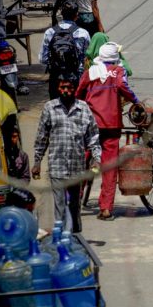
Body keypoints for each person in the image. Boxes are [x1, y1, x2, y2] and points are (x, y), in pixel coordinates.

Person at [76, 42, 140, 221]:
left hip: (90, 126)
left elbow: (78, 94)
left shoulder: (90, 72)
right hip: (111, 125)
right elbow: (123, 87)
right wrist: (135, 100)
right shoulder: (118, 71)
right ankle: (105, 209)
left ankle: (73, 202)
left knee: (83, 162)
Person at [32, 75, 102, 233]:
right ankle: (62, 238)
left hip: (76, 167)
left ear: (74, 89)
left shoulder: (83, 108)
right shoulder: (50, 108)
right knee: (60, 205)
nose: (65, 91)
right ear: (58, 88)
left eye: (69, 88)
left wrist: (96, 159)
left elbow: (93, 137)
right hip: (57, 166)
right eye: (63, 87)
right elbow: (42, 137)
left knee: (74, 204)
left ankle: (75, 236)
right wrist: (37, 162)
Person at [40, 2, 91, 99]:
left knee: (55, 108)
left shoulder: (49, 32)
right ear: (76, 16)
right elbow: (86, 58)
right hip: (76, 77)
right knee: (77, 108)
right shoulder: (83, 33)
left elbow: (43, 59)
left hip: (56, 78)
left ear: (62, 15)